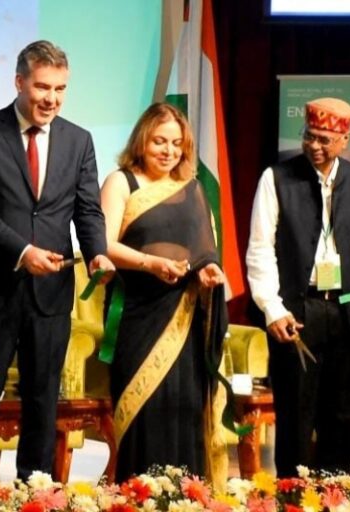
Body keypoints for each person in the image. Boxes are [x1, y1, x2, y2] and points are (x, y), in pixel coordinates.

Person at [0, 40, 113, 487]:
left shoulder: (79, 139)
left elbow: (87, 210)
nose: (51, 99)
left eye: (60, 89)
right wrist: (23, 252)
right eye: (43, 87)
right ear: (19, 81)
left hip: (51, 295)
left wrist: (97, 251)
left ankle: (35, 489)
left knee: (43, 398)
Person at [246, 97, 350, 476]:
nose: (315, 146)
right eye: (310, 136)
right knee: (295, 414)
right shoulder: (276, 178)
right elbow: (260, 251)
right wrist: (272, 309)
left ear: (345, 139)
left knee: (344, 414)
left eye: (325, 139)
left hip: (349, 309)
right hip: (297, 311)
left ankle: (335, 494)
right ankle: (291, 496)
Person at [98, 102, 227, 481]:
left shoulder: (192, 189)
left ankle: (186, 499)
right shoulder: (121, 182)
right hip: (137, 317)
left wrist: (209, 273)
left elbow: (205, 253)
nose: (168, 151)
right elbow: (103, 245)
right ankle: (136, 498)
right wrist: (151, 264)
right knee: (143, 412)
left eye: (177, 144)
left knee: (182, 408)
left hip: (185, 321)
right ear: (142, 139)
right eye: (159, 141)